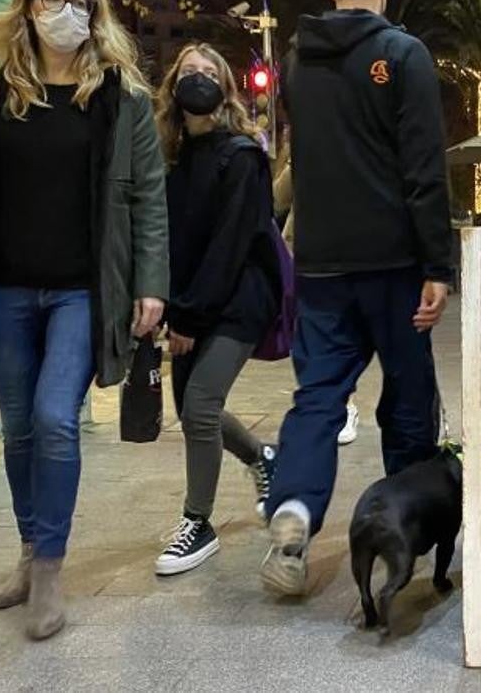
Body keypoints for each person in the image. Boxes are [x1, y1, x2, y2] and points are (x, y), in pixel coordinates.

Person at [0, 0, 168, 640]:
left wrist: (151, 285)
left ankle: (50, 565)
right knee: (19, 427)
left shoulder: (120, 96)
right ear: (26, 9)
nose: (66, 11)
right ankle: (29, 549)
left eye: (80, 0)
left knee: (56, 419)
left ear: (96, 13)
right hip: (6, 289)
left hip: (83, 290)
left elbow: (148, 196)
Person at [260, 0, 454, 595]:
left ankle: (293, 508)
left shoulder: (296, 61)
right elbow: (423, 168)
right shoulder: (402, 54)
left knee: (317, 398)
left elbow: (306, 159)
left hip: (321, 265)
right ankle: (409, 519)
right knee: (407, 394)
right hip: (393, 263)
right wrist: (438, 266)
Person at [151, 43, 283, 576]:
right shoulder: (168, 159)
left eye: (210, 73)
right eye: (190, 72)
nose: (200, 80)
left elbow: (230, 246)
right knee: (191, 411)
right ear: (173, 87)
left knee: (201, 405)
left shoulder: (242, 155)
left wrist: (187, 318)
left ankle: (197, 522)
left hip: (238, 298)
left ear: (226, 90)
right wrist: (169, 310)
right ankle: (263, 458)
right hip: (191, 302)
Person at [272, 125, 362, 448]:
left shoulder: (357, 156)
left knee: (338, 337)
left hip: (341, 262)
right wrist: (292, 158)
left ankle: (345, 406)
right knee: (306, 338)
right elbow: (275, 199)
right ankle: (321, 406)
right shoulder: (303, 160)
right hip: (300, 261)